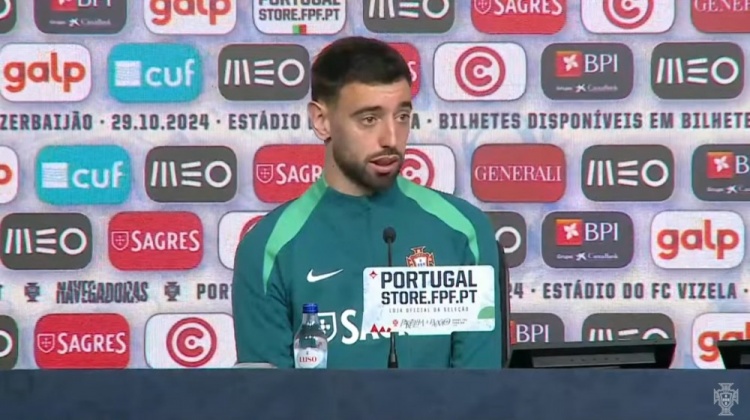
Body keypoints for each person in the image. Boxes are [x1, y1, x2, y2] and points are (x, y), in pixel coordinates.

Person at [232, 36, 503, 369]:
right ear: (321, 121)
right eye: (369, 119)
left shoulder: (464, 231)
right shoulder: (267, 249)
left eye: (402, 116)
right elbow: (265, 395)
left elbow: (481, 387)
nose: (391, 138)